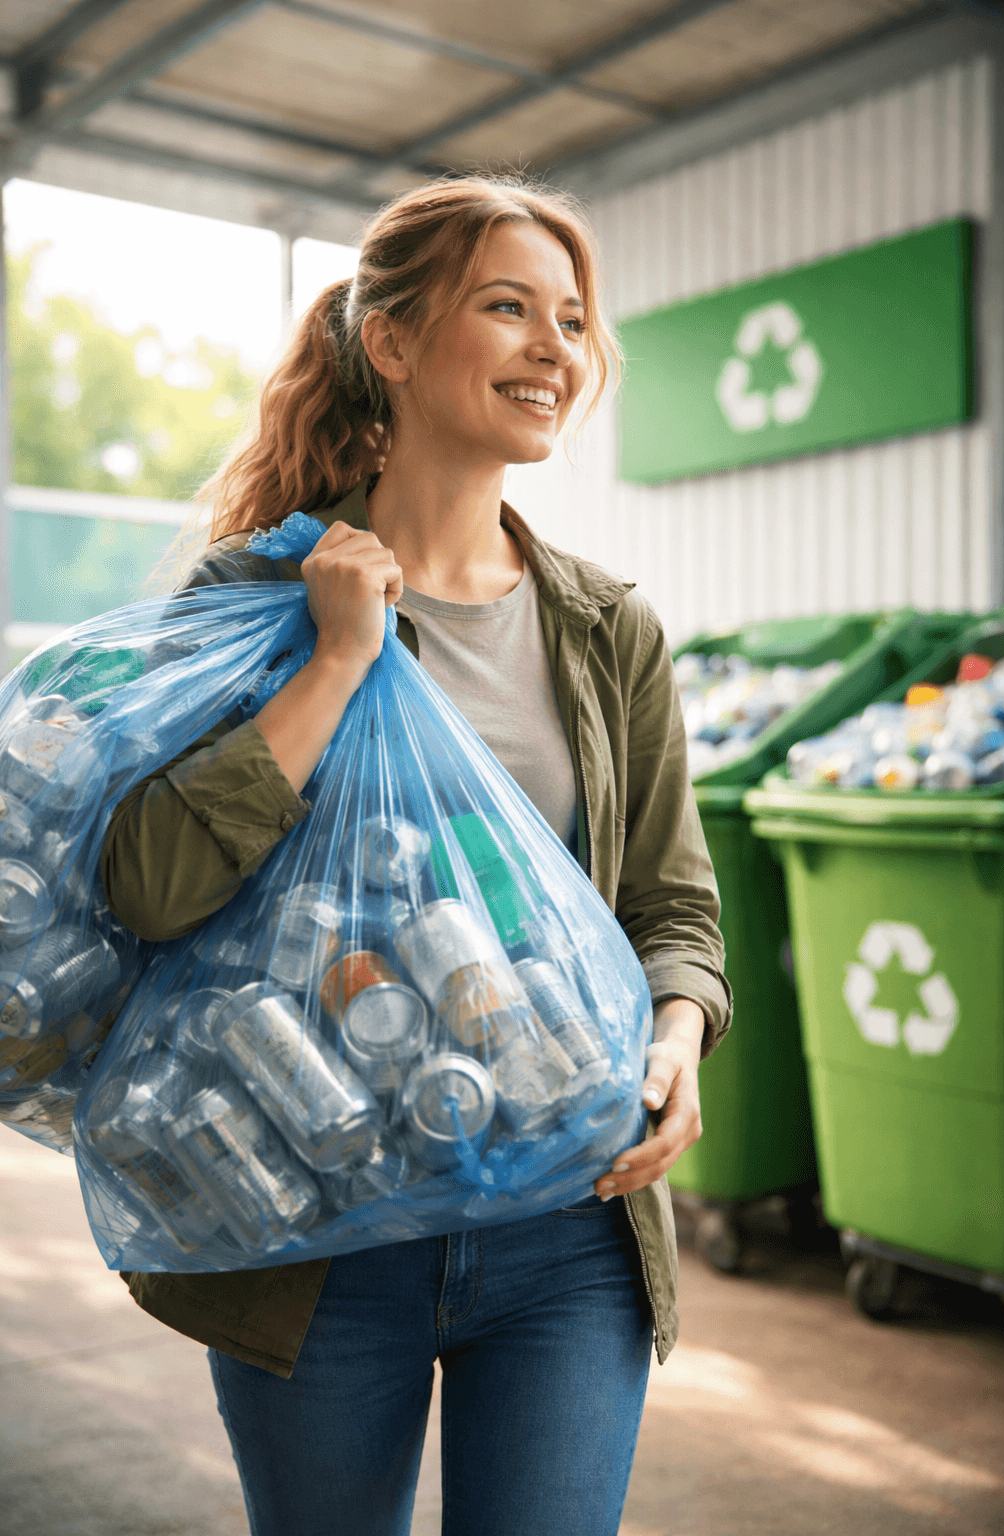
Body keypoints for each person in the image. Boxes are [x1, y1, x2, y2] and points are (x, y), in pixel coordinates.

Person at [103, 173, 731, 1536]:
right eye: (509, 307)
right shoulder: (250, 602)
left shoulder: (605, 629)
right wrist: (337, 662)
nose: (556, 348)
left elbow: (672, 904)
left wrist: (680, 1037)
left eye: (573, 320)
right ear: (390, 340)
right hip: (313, 1220)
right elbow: (147, 887)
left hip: (568, 1225)